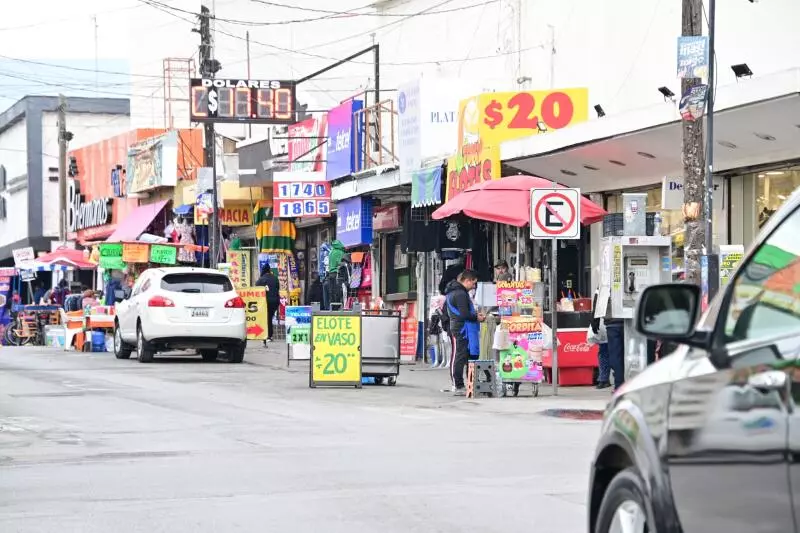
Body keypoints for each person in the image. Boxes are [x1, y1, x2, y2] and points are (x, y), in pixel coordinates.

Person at [443, 270, 486, 396]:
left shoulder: (454, 292)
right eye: (473, 283)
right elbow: (465, 314)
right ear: (466, 281)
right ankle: (458, 385)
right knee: (459, 356)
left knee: (466, 356)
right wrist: (476, 317)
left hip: (462, 328)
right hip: (461, 329)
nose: (474, 286)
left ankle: (469, 383)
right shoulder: (460, 294)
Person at [590, 288, 611, 389]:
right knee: (607, 352)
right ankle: (604, 378)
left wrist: (594, 321)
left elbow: (596, 306)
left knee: (603, 352)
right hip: (609, 323)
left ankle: (604, 378)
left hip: (604, 323)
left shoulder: (601, 288)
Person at [255, 264, 280, 343]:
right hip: (275, 301)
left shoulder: (261, 279)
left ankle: (267, 335)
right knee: (270, 317)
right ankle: (269, 335)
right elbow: (277, 288)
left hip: (265, 302)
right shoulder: (275, 279)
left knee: (267, 318)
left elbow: (256, 290)